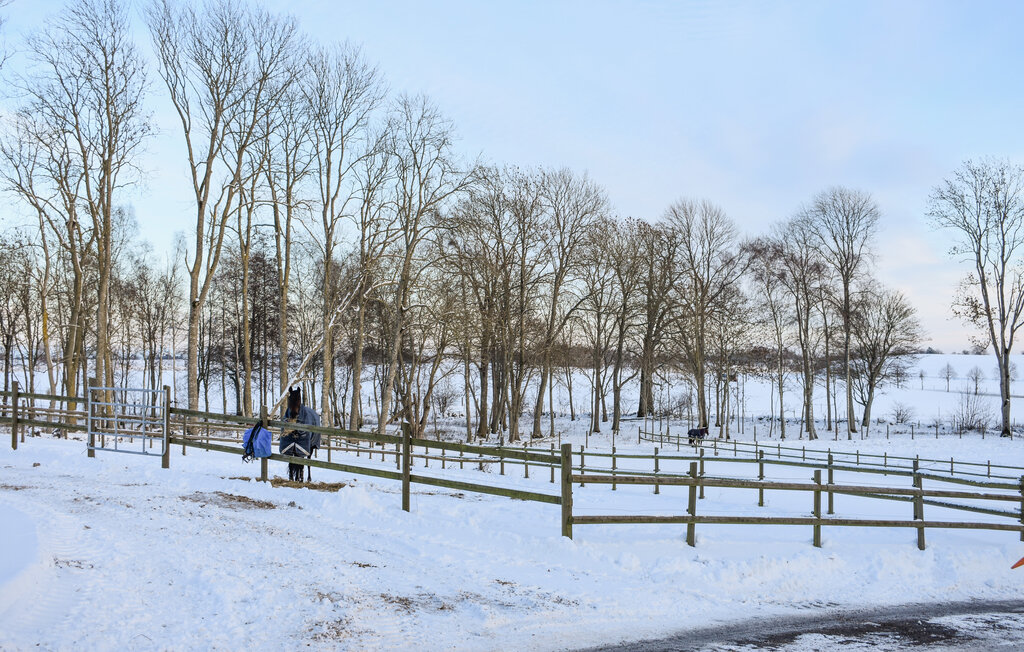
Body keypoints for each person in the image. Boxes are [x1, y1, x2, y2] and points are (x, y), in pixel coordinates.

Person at [279, 387, 321, 482]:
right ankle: (291, 475)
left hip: (305, 435)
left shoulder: (307, 416)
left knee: (303, 453)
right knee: (291, 451)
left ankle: (301, 475)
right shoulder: (287, 415)